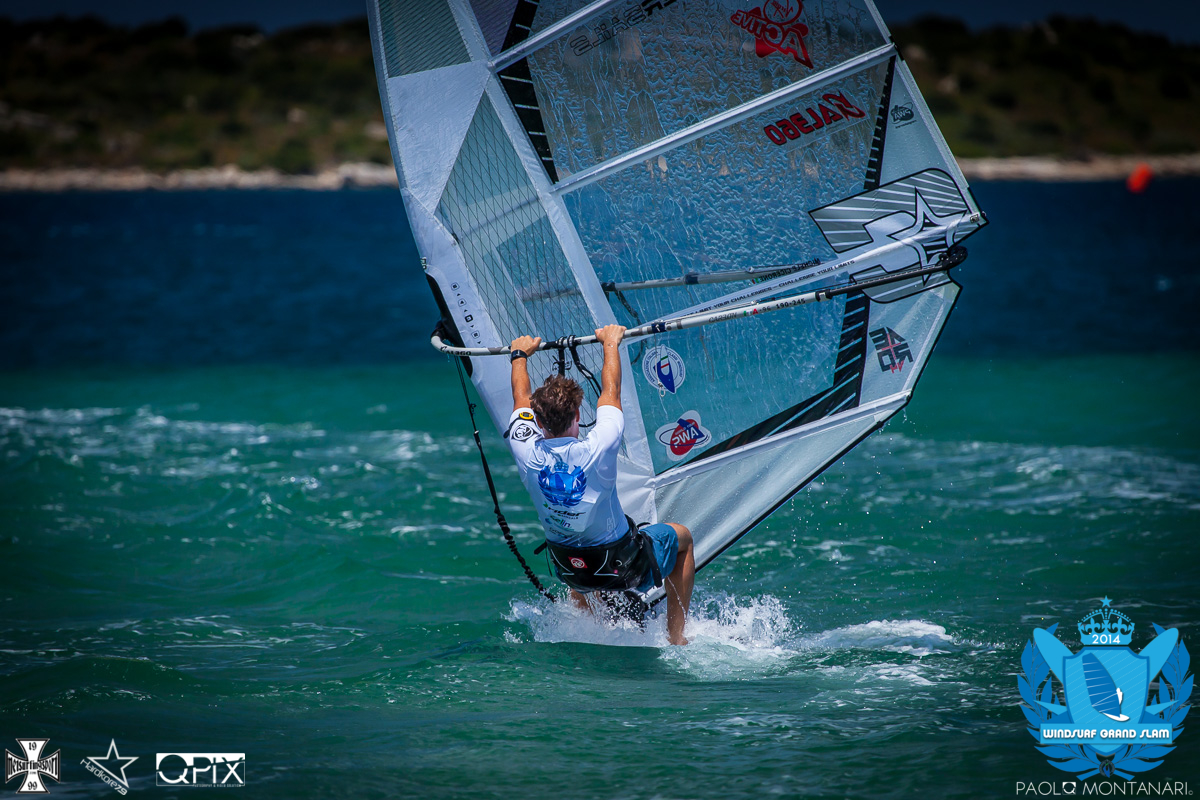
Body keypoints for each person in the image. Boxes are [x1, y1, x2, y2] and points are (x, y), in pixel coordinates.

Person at [506, 325, 695, 645]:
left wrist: (519, 355)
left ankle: (590, 629)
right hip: (624, 566)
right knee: (682, 539)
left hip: (569, 568)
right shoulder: (599, 446)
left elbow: (520, 397)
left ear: (536, 422)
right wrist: (610, 342)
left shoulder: (525, 450)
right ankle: (677, 638)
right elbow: (611, 391)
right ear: (578, 414)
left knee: (574, 545)